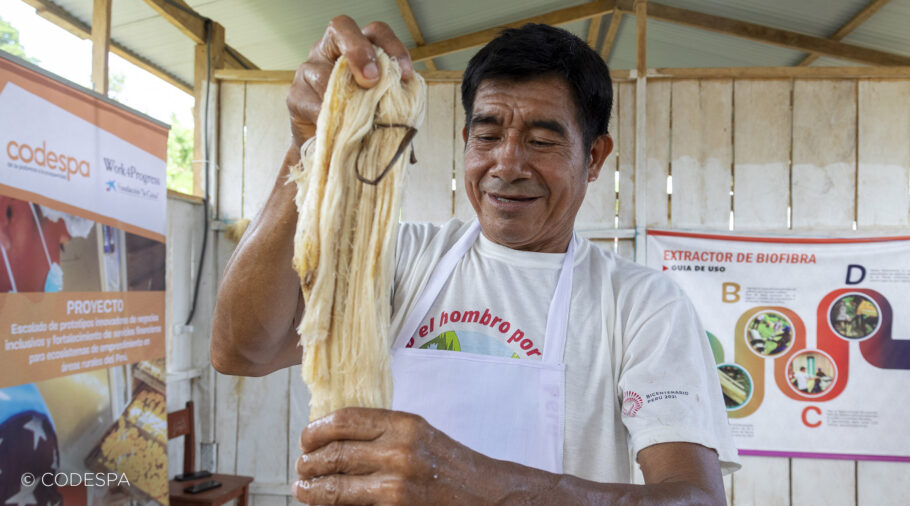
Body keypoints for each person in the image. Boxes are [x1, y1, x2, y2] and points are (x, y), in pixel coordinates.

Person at [212, 17, 739, 505]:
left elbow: (694, 498)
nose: (506, 164)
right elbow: (240, 351)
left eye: (541, 140)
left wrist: (478, 482)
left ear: (595, 157)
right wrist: (307, 143)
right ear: (466, 142)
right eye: (487, 136)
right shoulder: (397, 258)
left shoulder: (640, 305)